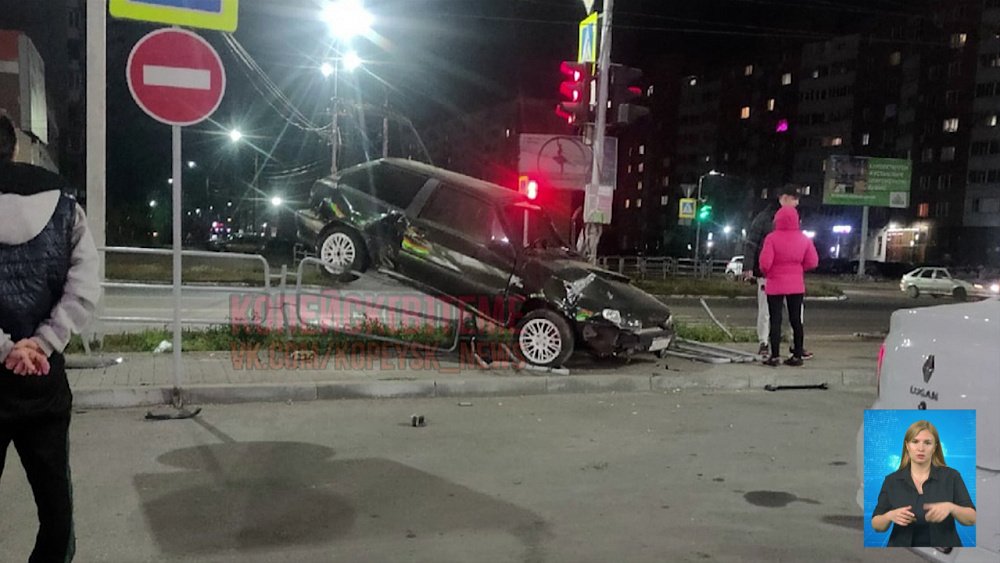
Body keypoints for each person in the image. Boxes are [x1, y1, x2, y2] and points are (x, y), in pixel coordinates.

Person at [0, 113, 100, 562]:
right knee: (55, 507)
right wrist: (40, 344)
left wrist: (6, 348)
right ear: (15, 148)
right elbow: (84, 286)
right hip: (42, 382)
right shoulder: (63, 204)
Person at [871, 420, 976, 548]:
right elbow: (876, 524)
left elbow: (972, 518)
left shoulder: (952, 477)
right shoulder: (891, 481)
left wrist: (951, 507)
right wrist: (889, 516)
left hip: (945, 553)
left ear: (935, 447)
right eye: (915, 442)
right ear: (907, 446)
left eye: (927, 443)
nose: (921, 448)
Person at [742, 184, 810, 359]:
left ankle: (793, 347)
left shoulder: (792, 219)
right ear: (783, 198)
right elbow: (751, 243)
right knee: (768, 313)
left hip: (775, 275)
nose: (797, 202)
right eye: (794, 198)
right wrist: (749, 267)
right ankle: (764, 343)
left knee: (790, 315)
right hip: (770, 276)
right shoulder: (765, 218)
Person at [757, 205, 818, 366]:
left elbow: (765, 263)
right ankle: (797, 355)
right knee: (796, 320)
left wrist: (769, 272)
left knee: (775, 320)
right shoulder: (804, 239)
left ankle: (775, 355)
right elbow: (813, 261)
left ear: (777, 220)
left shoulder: (771, 238)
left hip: (775, 284)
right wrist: (798, 269)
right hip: (796, 285)